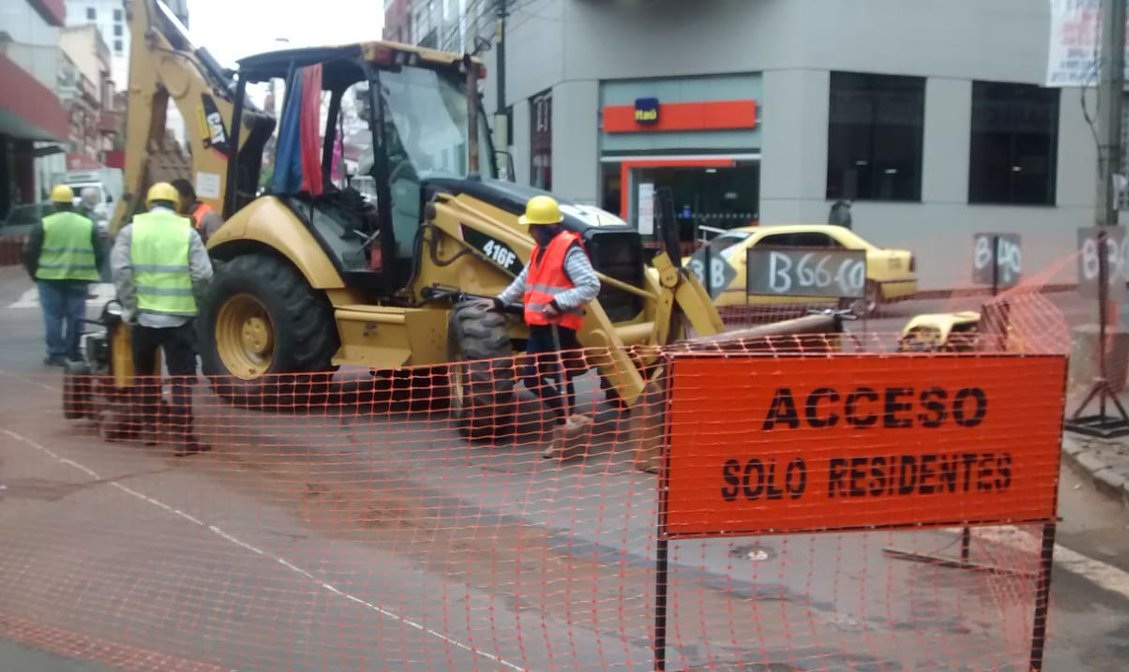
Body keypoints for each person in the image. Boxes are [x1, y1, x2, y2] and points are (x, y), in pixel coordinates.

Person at [491, 196, 601, 456]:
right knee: (542, 377)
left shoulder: (568, 249)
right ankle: (567, 420)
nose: (530, 231)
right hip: (541, 326)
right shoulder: (540, 250)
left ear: (545, 227)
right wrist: (500, 301)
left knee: (554, 377)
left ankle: (565, 429)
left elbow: (591, 285)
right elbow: (523, 280)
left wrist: (559, 303)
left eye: (532, 226)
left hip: (559, 325)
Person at [111, 182, 214, 456]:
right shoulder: (187, 232)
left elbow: (120, 272)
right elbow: (203, 275)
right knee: (181, 379)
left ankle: (149, 430)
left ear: (148, 202)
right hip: (179, 318)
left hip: (143, 319)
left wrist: (131, 307)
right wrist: (197, 302)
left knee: (144, 376)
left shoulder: (130, 231)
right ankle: (183, 438)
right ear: (176, 204)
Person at [22, 184, 105, 366]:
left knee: (53, 316)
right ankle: (73, 352)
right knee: (76, 316)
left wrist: (34, 274)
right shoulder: (86, 224)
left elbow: (30, 252)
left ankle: (56, 354)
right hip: (79, 277)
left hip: (49, 278)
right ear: (72, 203)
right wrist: (93, 272)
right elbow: (100, 252)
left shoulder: (44, 224)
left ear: (54, 203)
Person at [170, 178, 223, 242]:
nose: (174, 203)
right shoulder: (174, 215)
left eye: (177, 198)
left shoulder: (210, 217)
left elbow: (216, 244)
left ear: (188, 197)